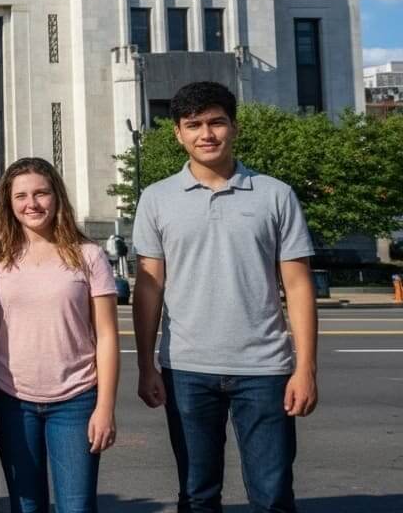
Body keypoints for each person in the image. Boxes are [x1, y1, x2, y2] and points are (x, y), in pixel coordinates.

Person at [132, 81, 318, 512]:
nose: (206, 133)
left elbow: (298, 286)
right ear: (178, 133)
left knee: (272, 496)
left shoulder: (276, 194)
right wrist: (146, 365)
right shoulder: (156, 199)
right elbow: (148, 286)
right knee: (197, 495)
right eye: (193, 124)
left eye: (216, 122)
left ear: (233, 127)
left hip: (266, 369)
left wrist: (305, 368)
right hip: (186, 369)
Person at [0, 157, 120, 513]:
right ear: (8, 202)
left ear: (57, 197)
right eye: (21, 196)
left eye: (41, 193)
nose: (32, 204)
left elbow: (108, 336)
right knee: (26, 505)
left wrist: (105, 407)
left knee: (77, 506)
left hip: (77, 399)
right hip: (12, 400)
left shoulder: (89, 255)